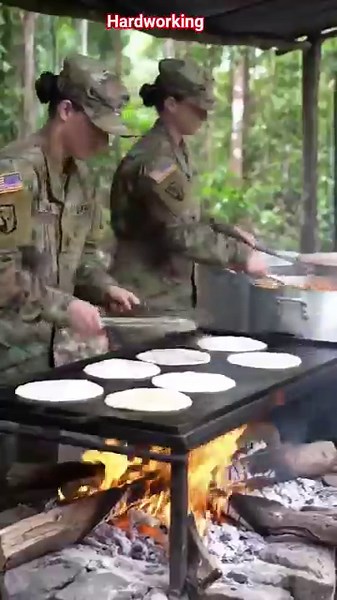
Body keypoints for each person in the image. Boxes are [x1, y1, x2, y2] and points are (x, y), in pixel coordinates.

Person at [0, 53, 140, 386]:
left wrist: (104, 288)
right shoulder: (13, 174)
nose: (104, 143)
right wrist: (67, 308)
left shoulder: (82, 180)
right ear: (65, 111)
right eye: (97, 129)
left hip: (46, 360)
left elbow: (84, 256)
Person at [109, 58, 266, 343]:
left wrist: (228, 231)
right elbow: (180, 234)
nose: (204, 118)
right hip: (146, 304)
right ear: (171, 104)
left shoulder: (176, 150)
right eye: (198, 109)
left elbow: (186, 212)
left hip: (169, 298)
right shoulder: (156, 159)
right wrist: (240, 256)